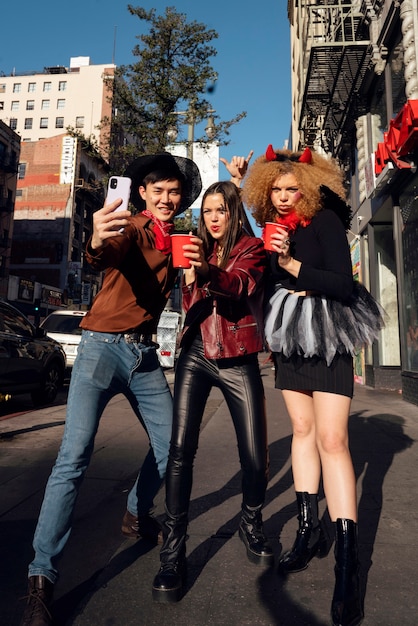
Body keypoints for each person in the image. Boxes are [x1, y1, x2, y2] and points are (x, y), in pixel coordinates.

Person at [20, 152, 202, 626]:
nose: (165, 198)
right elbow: (107, 251)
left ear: (181, 199)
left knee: (174, 444)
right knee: (74, 456)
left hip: (144, 357)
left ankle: (136, 513)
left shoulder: (178, 240)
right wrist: (98, 238)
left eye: (174, 192)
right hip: (101, 348)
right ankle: (40, 579)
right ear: (142, 192)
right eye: (157, 189)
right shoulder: (133, 227)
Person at [242, 145, 384, 626]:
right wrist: (271, 255)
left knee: (332, 439)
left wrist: (293, 267)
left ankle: (348, 566)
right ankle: (308, 531)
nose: (283, 197)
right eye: (275, 189)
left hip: (328, 335)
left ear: (308, 186)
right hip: (289, 338)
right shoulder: (273, 231)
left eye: (291, 188)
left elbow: (343, 284)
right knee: (302, 432)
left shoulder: (324, 222)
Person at [152, 177, 273, 604]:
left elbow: (240, 285)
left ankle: (251, 522)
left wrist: (205, 271)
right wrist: (187, 274)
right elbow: (186, 301)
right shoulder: (192, 247)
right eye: (207, 211)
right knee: (180, 450)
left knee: (256, 457)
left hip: (239, 357)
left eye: (220, 210)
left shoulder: (251, 249)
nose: (213, 218)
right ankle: (172, 552)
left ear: (233, 212)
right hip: (196, 355)